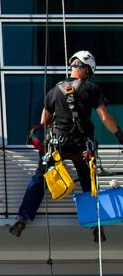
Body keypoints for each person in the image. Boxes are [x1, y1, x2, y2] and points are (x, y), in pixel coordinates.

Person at [9, 51, 122, 242]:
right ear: (86, 70)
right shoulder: (91, 89)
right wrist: (119, 135)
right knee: (89, 182)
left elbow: (44, 120)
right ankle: (96, 226)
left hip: (57, 145)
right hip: (81, 146)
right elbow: (104, 117)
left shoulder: (53, 91)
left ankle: (23, 217)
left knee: (40, 178)